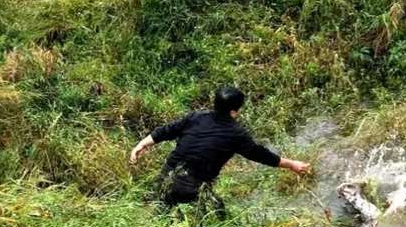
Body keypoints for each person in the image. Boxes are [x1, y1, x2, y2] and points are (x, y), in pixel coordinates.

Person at [129, 86, 311, 208]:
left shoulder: (195, 117)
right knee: (213, 216)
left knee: (163, 213)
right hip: (190, 187)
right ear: (234, 111)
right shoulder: (235, 133)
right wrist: (292, 164)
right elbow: (260, 154)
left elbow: (166, 131)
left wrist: (141, 144)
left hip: (164, 179)